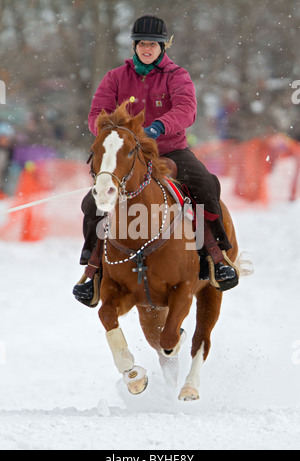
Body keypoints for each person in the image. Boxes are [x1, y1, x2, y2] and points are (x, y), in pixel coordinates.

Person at [73, 15, 238, 307]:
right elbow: (96, 114)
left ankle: (218, 257)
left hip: (170, 149)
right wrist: (112, 135)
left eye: (153, 44)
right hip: (127, 155)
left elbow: (187, 109)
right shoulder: (115, 77)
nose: (147, 49)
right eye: (142, 44)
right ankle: (93, 271)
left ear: (163, 46)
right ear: (134, 46)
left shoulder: (177, 75)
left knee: (204, 184)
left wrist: (159, 127)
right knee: (92, 202)